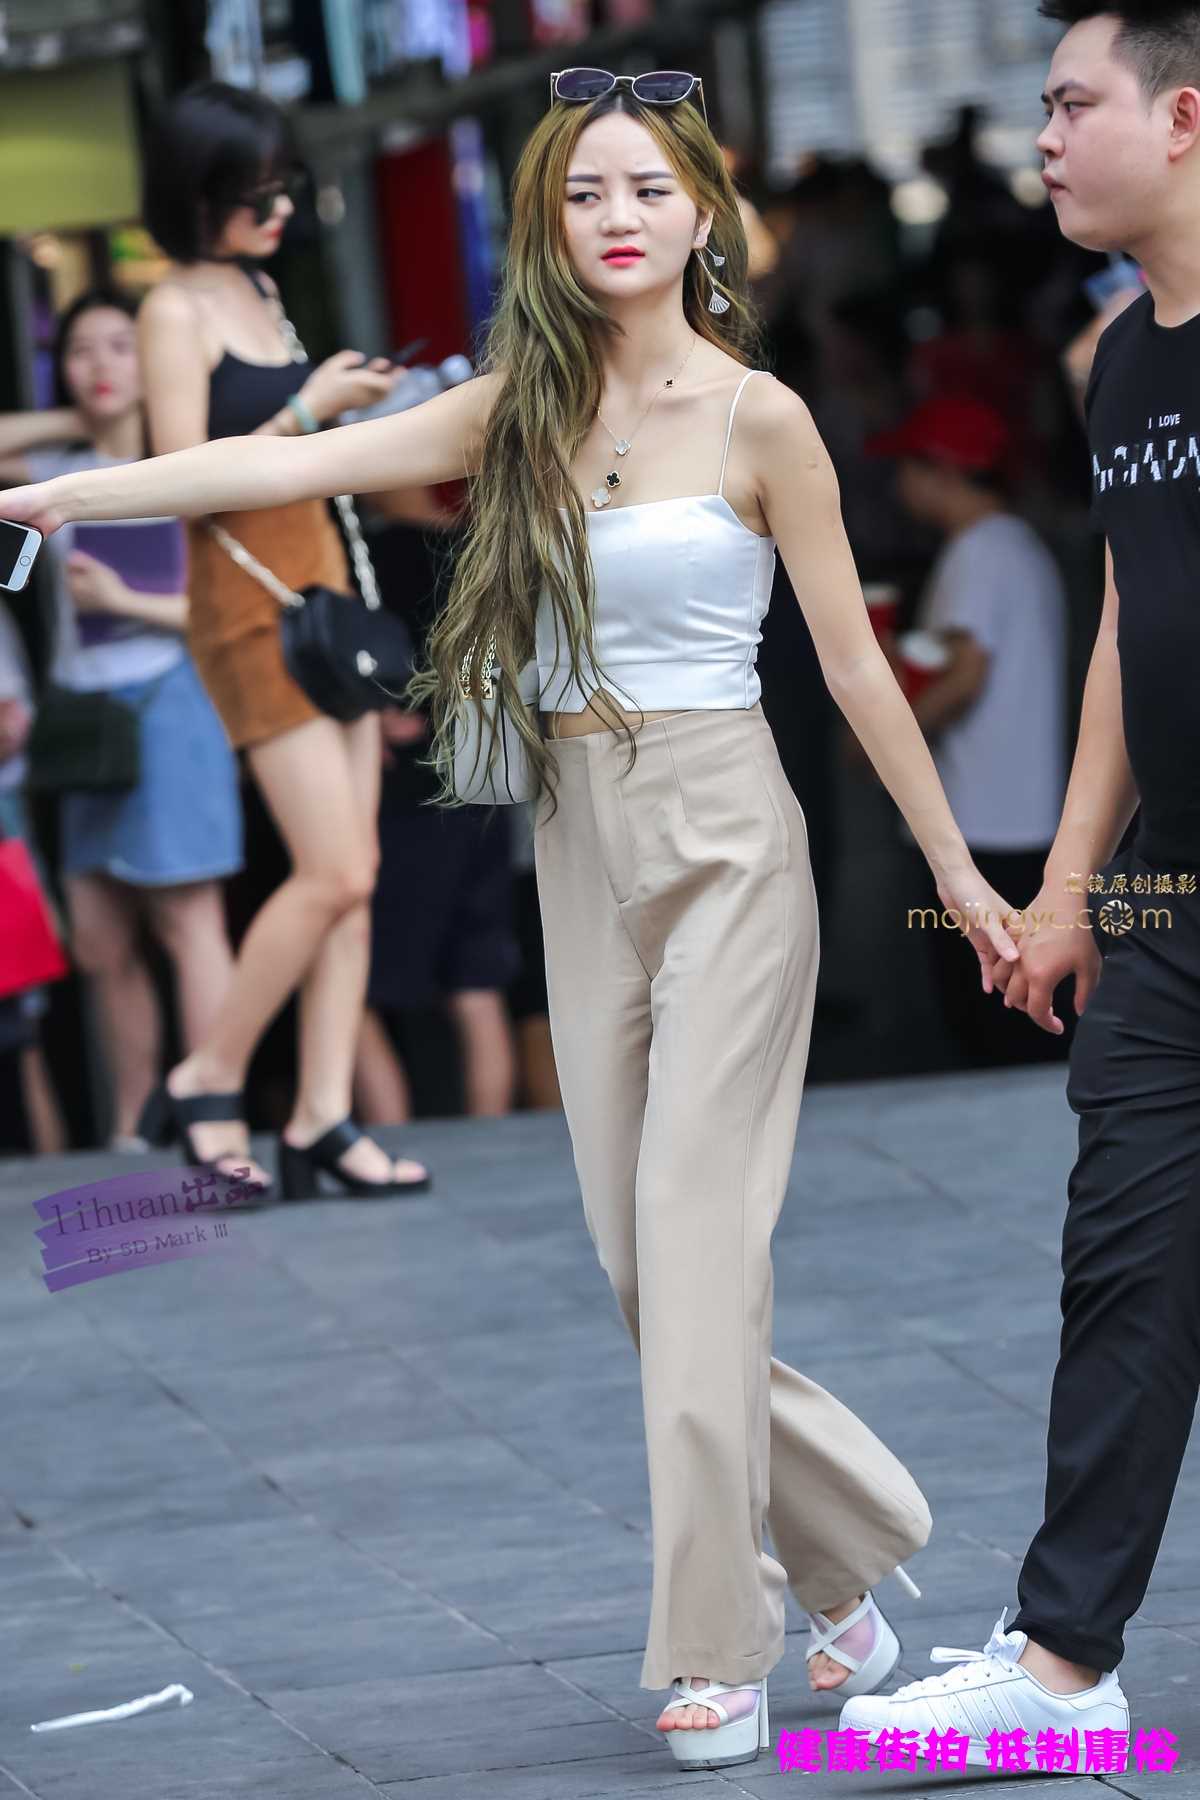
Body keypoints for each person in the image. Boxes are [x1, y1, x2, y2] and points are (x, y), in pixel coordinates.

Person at [0, 71, 1027, 1773]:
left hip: (726, 833)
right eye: (582, 194)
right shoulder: (513, 410)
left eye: (648, 190)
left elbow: (854, 668)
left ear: (702, 218)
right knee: (643, 1270)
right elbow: (289, 461)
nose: (616, 218)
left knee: (692, 1240)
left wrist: (961, 875)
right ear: (549, 225)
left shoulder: (763, 416)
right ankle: (853, 1561)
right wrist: (58, 498)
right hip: (574, 833)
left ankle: (719, 1648)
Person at [838, 0, 1200, 1761]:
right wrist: (1068, 887)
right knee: (1123, 1264)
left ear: (1184, 118)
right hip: (1173, 902)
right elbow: (1132, 620)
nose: (1042, 139)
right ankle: (1063, 1672)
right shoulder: (1121, 362)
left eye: (1072, 104)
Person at [134, 80, 429, 1198]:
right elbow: (180, 478)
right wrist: (311, 409)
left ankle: (321, 1114)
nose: (280, 211)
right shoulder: (173, 310)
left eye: (284, 188)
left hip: (320, 594)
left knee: (358, 876)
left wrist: (346, 407)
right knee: (332, 868)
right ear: (197, 193)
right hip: (248, 603)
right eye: (256, 194)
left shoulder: (260, 288)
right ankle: (207, 1076)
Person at [0, 289, 242, 1150]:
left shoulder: (190, 464)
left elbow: (233, 612)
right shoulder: (57, 470)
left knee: (188, 920)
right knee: (101, 940)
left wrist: (124, 601)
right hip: (81, 711)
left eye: (120, 346)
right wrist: (81, 417)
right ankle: (132, 1123)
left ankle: (215, 1113)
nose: (101, 365)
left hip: (172, 698)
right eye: (81, 351)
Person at [867, 393, 1072, 1068]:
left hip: (984, 825)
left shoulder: (980, 553)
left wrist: (883, 744)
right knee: (1016, 1012)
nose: (899, 484)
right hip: (1017, 816)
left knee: (990, 1015)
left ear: (943, 469)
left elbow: (964, 676)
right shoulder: (1016, 546)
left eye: (908, 466)